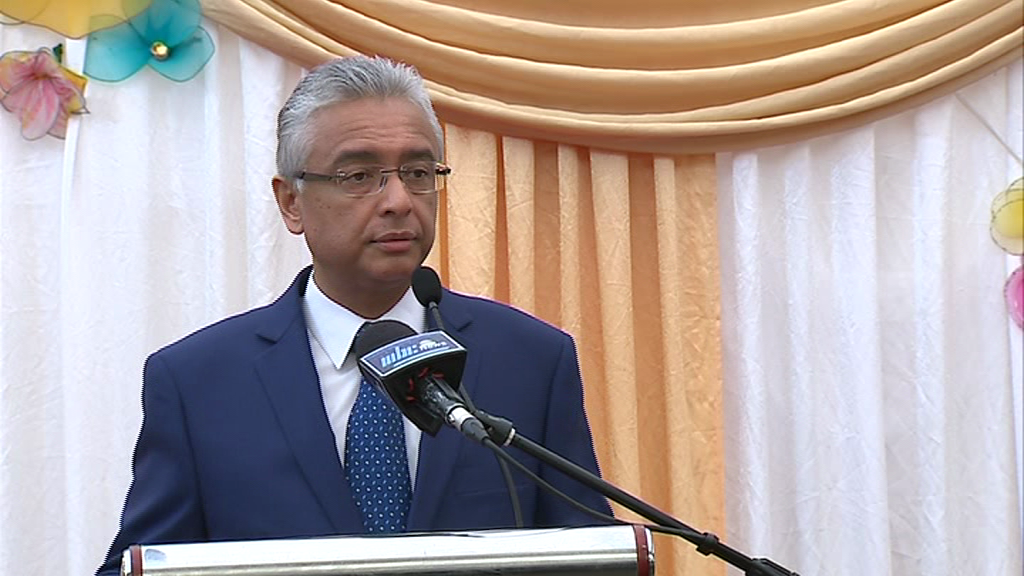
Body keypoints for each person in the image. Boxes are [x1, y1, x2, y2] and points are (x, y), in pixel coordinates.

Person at [97, 55, 612, 575]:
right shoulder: (197, 382)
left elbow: (592, 556)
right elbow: (142, 565)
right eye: (359, 175)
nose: (399, 201)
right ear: (291, 202)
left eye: (417, 172)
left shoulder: (530, 359)